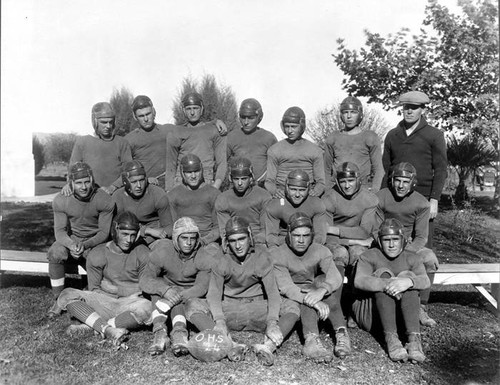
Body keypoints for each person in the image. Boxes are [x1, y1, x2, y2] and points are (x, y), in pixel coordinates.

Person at [186, 217, 298, 366]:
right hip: (230, 310)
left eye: (242, 239)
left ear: (250, 236)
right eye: (233, 241)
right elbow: (214, 293)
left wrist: (272, 322)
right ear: (227, 241)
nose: (238, 245)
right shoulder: (221, 258)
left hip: (257, 308)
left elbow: (272, 293)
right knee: (192, 305)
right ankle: (231, 345)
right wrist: (219, 321)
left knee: (292, 306)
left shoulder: (261, 256)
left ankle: (267, 347)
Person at [56, 212, 153, 347]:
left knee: (148, 308)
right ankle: (108, 329)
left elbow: (145, 287)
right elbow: (94, 289)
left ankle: (95, 325)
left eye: (133, 235)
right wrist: (122, 291)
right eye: (124, 234)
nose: (129, 240)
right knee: (67, 294)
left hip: (130, 304)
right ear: (115, 231)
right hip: (105, 301)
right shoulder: (98, 253)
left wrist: (118, 290)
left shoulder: (143, 252)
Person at [353, 218, 430, 363]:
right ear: (380, 241)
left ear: (403, 240)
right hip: (371, 315)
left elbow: (425, 280)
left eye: (395, 239)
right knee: (384, 274)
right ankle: (391, 338)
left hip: (401, 314)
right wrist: (388, 284)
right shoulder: (369, 255)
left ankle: (414, 339)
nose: (392, 244)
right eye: (387, 240)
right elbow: (359, 280)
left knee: (409, 278)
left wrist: (408, 282)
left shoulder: (412, 257)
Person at [271, 212, 345, 362]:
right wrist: (313, 299)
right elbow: (286, 287)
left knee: (321, 281)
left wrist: (321, 290)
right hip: (291, 297)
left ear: (311, 236)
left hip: (313, 292)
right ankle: (311, 339)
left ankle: (341, 332)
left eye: (305, 236)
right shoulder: (278, 254)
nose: (301, 240)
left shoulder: (320, 250)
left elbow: (336, 276)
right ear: (289, 235)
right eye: (297, 235)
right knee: (307, 290)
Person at [376, 162, 439, 327]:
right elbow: (375, 230)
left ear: (412, 183)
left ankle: (422, 306)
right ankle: (361, 307)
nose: (401, 185)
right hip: (383, 243)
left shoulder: (421, 203)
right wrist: (388, 248)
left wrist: (406, 253)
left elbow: (421, 237)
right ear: (392, 180)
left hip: (408, 245)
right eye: (398, 180)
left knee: (430, 258)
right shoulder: (380, 197)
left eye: (405, 181)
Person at [140, 217, 215, 356]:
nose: (188, 243)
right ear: (175, 238)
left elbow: (201, 287)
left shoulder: (204, 255)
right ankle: (160, 332)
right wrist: (164, 290)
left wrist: (176, 296)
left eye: (192, 238)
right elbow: (145, 279)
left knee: (182, 298)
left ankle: (179, 334)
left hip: (189, 295)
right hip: (167, 291)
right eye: (184, 238)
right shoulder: (163, 251)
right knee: (157, 289)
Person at [47, 162, 114, 317]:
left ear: (92, 180)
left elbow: (104, 232)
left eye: (87, 182)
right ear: (71, 183)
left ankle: (92, 298)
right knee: (55, 252)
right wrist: (71, 245)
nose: (83, 187)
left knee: (98, 258)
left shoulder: (104, 199)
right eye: (78, 183)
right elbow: (60, 231)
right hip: (72, 239)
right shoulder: (61, 199)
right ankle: (58, 298)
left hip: (95, 241)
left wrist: (84, 245)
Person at [382, 91, 447, 248]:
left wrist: (434, 200)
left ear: (422, 110)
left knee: (422, 245)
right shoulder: (392, 135)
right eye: (406, 107)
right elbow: (386, 168)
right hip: (395, 197)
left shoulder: (434, 135)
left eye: (414, 107)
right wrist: (382, 197)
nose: (409, 111)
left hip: (423, 197)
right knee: (393, 241)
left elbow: (441, 169)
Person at [322, 162, 379, 328]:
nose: (347, 185)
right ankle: (336, 310)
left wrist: (337, 230)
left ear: (358, 180)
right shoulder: (329, 198)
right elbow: (325, 231)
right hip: (335, 242)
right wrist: (351, 240)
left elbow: (364, 231)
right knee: (339, 254)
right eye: (343, 181)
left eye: (351, 181)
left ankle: (356, 308)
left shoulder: (369, 199)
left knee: (360, 255)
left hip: (356, 241)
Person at [165, 92, 228, 191]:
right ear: (183, 111)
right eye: (188, 109)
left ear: (202, 109)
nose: (192, 112)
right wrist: (169, 190)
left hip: (205, 179)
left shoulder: (214, 130)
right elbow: (170, 164)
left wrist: (216, 186)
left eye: (195, 108)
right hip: (181, 180)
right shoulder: (176, 132)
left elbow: (222, 162)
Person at [67, 102, 133, 195]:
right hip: (90, 195)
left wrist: (113, 186)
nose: (108, 126)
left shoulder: (122, 142)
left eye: (111, 122)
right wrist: (68, 185)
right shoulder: (82, 142)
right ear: (94, 121)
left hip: (116, 194)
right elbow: (72, 171)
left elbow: (129, 171)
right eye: (104, 122)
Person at [324, 96, 384, 192]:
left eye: (353, 112)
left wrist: (375, 191)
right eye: (345, 112)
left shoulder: (370, 137)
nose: (349, 116)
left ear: (360, 114)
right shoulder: (333, 137)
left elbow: (378, 169)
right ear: (341, 115)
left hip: (362, 189)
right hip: (337, 189)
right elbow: (325, 169)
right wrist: (327, 191)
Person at [265, 106, 325, 197]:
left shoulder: (315, 151)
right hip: (282, 193)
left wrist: (316, 192)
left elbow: (321, 182)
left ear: (301, 126)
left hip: (307, 193)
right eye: (287, 127)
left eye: (293, 127)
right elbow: (269, 181)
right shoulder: (274, 150)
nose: (290, 131)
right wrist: (275, 191)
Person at [112, 160, 173, 245]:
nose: (139, 186)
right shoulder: (118, 197)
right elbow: (114, 228)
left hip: (154, 237)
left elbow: (170, 227)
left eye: (141, 180)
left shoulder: (157, 194)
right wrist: (145, 230)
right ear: (126, 182)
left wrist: (150, 236)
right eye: (133, 182)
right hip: (129, 237)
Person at [167, 154, 221, 246]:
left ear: (202, 171)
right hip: (182, 241)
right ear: (182, 173)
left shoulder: (214, 193)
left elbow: (218, 227)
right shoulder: (173, 195)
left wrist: (204, 241)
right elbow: (171, 226)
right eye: (188, 172)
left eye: (196, 171)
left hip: (208, 241)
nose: (193, 176)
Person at [215, 157, 271, 245]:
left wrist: (252, 241)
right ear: (230, 178)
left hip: (258, 241)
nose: (240, 183)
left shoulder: (264, 196)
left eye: (244, 179)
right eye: (236, 179)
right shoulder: (223, 199)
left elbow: (266, 229)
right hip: (234, 241)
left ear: (251, 178)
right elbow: (224, 231)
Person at [265, 169, 327, 248]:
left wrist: (310, 251)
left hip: (308, 243)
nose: (297, 194)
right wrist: (276, 252)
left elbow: (320, 235)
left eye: (302, 190)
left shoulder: (316, 204)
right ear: (286, 187)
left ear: (308, 189)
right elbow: (271, 237)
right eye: (293, 189)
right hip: (283, 243)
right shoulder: (275, 205)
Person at [125, 95, 177, 189]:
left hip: (171, 184)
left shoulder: (168, 130)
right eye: (141, 116)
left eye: (148, 114)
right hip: (147, 187)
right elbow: (127, 169)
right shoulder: (130, 139)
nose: (145, 119)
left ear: (153, 112)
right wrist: (145, 179)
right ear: (135, 116)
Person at [227, 98, 277, 186]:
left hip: (262, 186)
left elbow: (276, 165)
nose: (246, 122)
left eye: (250, 118)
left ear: (259, 117)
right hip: (238, 186)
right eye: (243, 117)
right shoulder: (232, 137)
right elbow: (222, 162)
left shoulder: (269, 138)